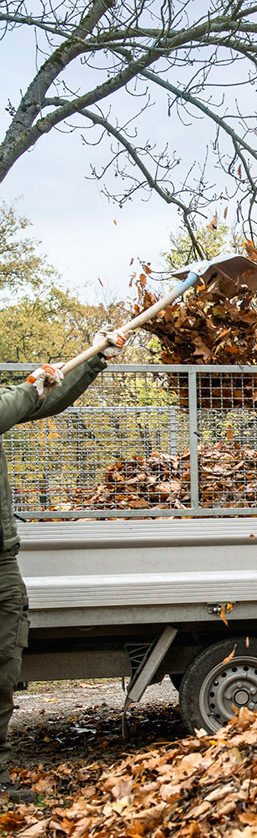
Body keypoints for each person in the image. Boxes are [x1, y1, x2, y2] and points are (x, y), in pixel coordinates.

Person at [0, 332, 125, 803]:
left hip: (1, 560)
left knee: (4, 661)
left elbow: (43, 404)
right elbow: (17, 402)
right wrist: (32, 385)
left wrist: (94, 360)